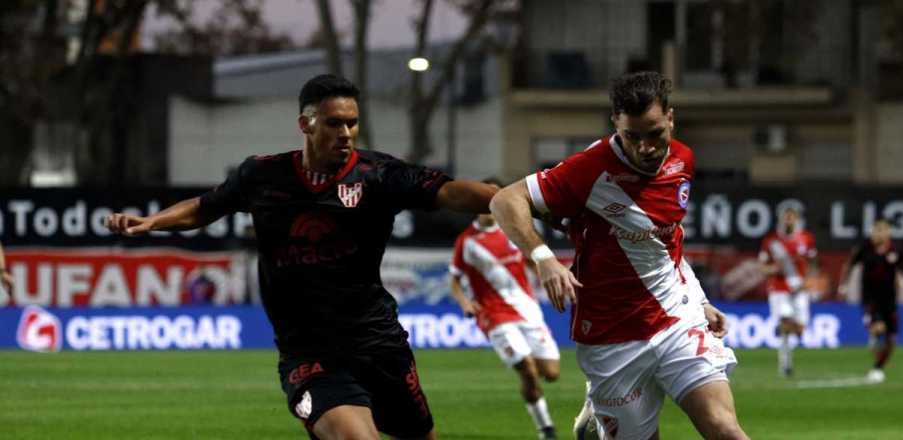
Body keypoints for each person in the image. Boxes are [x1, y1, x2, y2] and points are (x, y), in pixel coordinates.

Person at [104, 74, 497, 440]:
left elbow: (450, 192)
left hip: (379, 343)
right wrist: (153, 222)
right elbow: (205, 207)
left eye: (352, 123)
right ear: (305, 124)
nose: (346, 133)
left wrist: (515, 198)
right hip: (309, 354)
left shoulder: (379, 174)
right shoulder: (262, 176)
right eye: (333, 123)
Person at [490, 71, 748, 440]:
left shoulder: (683, 160)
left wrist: (700, 299)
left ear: (670, 118)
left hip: (677, 319)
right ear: (616, 123)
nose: (645, 148)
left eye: (654, 134)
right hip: (612, 336)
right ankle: (598, 411)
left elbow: (666, 240)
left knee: (724, 428)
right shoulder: (590, 168)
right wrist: (543, 257)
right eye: (632, 137)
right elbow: (504, 200)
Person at [448, 177, 561, 439]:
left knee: (551, 373)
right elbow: (454, 278)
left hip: (527, 308)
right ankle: (546, 428)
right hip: (494, 314)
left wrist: (547, 277)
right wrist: (465, 302)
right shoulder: (467, 241)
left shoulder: (514, 230)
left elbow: (533, 261)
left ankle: (525, 368)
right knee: (528, 372)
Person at [838, 218, 903, 383]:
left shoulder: (897, 250)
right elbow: (849, 265)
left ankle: (878, 367)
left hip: (890, 299)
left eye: (882, 230)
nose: (878, 234)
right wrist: (843, 286)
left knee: (891, 340)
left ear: (888, 232)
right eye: (876, 230)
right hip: (870, 298)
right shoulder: (864, 248)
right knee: (878, 328)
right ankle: (875, 341)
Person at [758, 206, 817, 378]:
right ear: (781, 219)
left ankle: (785, 328)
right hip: (779, 290)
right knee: (785, 322)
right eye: (786, 217)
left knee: (800, 329)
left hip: (799, 289)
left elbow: (813, 263)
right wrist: (773, 269)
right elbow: (762, 268)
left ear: (797, 219)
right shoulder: (771, 241)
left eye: (792, 217)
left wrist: (808, 281)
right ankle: (785, 365)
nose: (789, 220)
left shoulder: (806, 238)